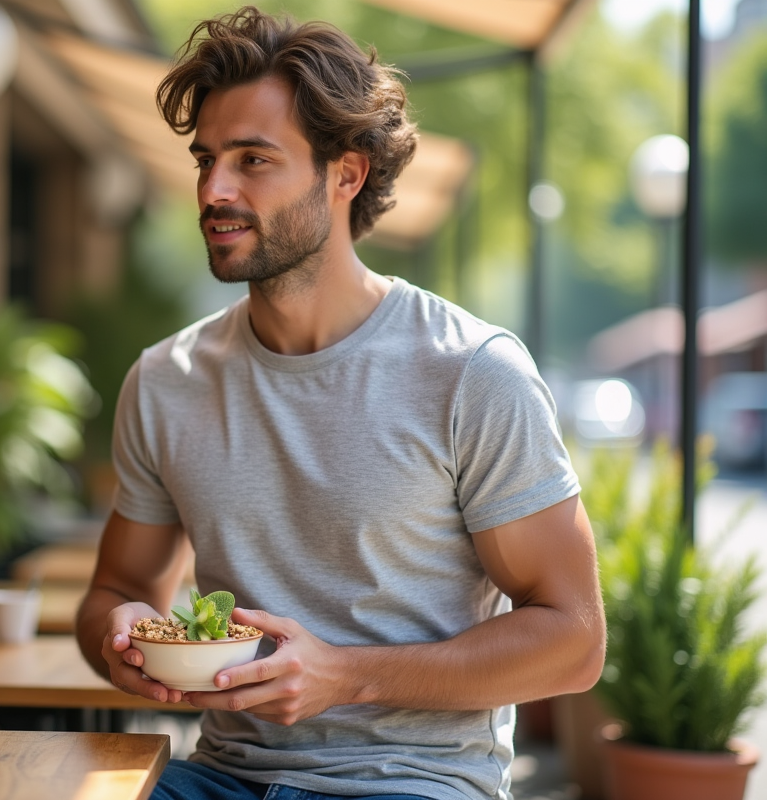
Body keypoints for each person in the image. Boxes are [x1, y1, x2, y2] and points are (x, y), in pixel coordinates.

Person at [75, 7, 606, 800]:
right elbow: (116, 593)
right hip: (221, 776)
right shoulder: (166, 379)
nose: (214, 189)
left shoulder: (469, 371)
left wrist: (347, 676)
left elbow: (573, 640)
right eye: (207, 160)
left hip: (412, 781)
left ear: (345, 174)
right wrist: (116, 638)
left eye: (254, 160)